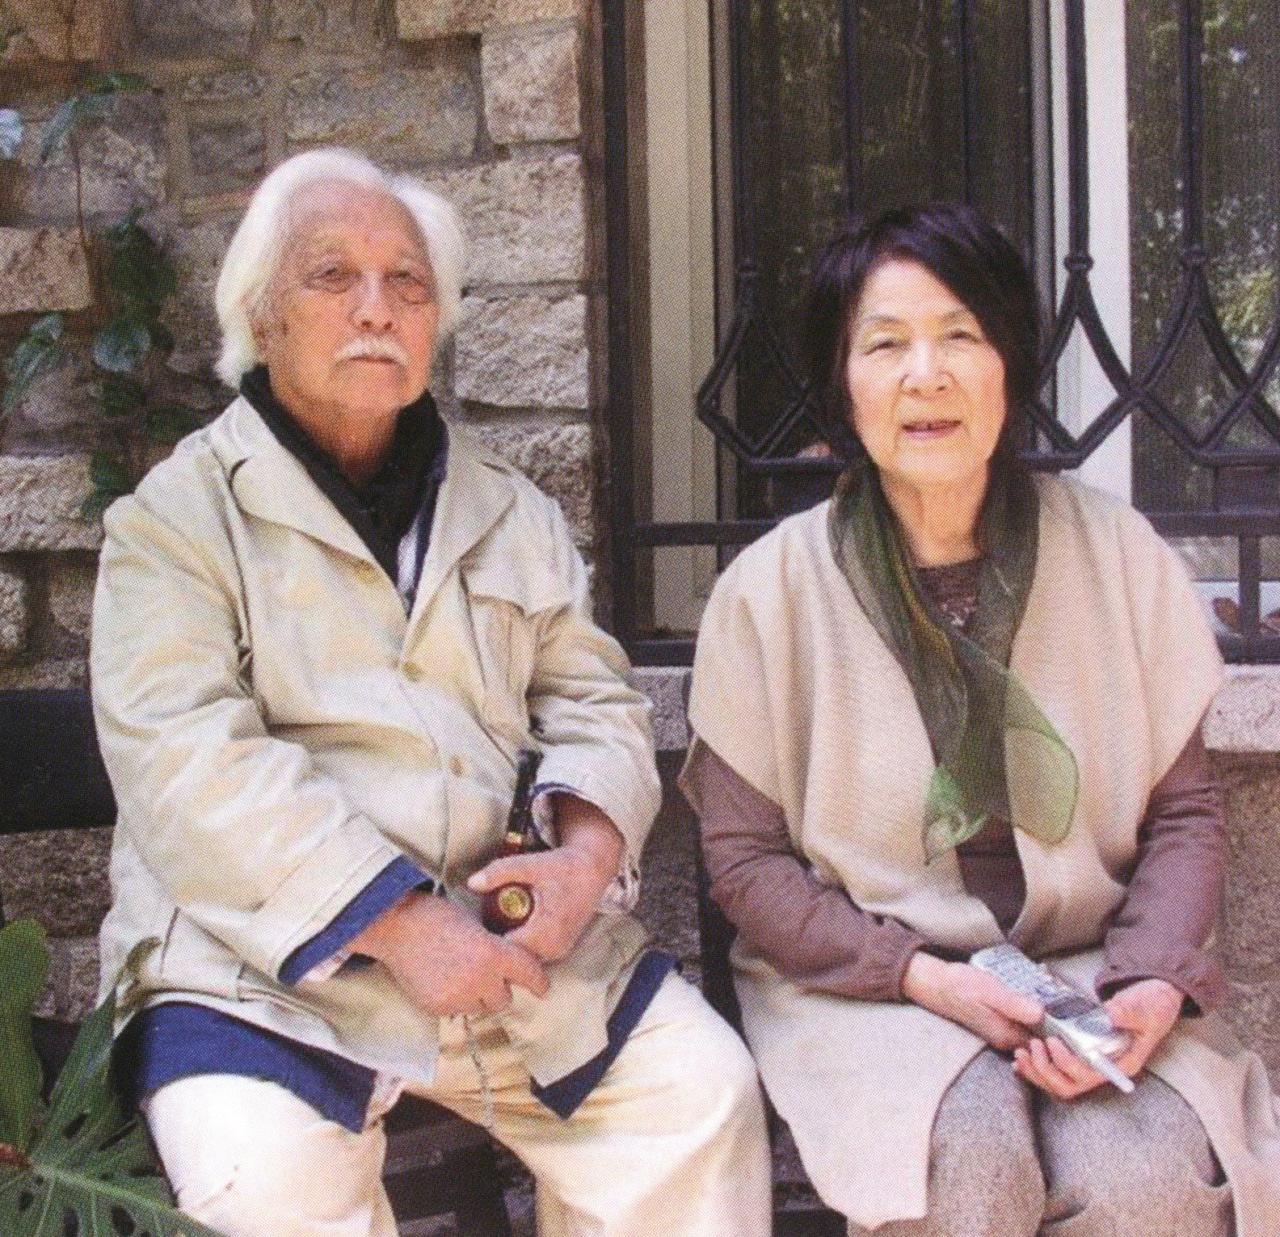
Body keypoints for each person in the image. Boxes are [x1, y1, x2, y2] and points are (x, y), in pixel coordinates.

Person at [91, 147, 770, 1237]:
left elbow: (594, 700)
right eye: (333, 276)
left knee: (698, 1101)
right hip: (264, 975)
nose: (378, 308)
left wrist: (584, 862)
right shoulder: (174, 521)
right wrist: (402, 928)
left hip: (513, 955)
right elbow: (185, 761)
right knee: (265, 1181)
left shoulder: (509, 509)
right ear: (259, 315)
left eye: (406, 282)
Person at [681, 202, 1280, 1236]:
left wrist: (1150, 981)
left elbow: (1184, 813)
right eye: (884, 344)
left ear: (1010, 363)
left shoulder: (1117, 553)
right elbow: (744, 863)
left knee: (1146, 1182)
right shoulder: (766, 592)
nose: (926, 374)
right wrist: (922, 978)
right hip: (869, 985)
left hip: (1092, 964)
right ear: (842, 384)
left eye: (960, 335)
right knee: (966, 1166)